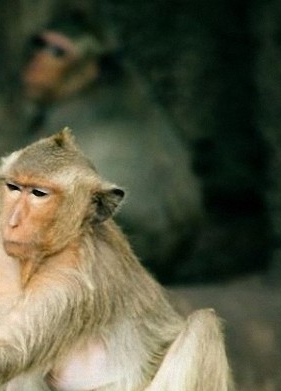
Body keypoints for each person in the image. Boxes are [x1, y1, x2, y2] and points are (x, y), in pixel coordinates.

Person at [21, 12, 205, 274]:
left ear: (89, 68)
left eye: (58, 53)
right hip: (161, 244)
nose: (38, 62)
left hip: (125, 241)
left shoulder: (77, 120)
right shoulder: (135, 101)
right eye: (39, 47)